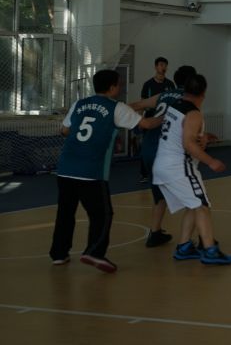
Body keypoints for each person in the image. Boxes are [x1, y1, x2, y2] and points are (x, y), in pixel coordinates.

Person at [49, 70, 162, 272]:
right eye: (118, 84)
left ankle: (59, 254)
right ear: (112, 87)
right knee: (102, 214)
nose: (120, 87)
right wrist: (165, 116)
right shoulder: (116, 107)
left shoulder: (79, 103)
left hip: (65, 168)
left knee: (65, 212)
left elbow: (64, 130)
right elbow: (146, 124)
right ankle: (94, 252)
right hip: (91, 170)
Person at [152, 74, 231, 265]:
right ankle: (210, 250)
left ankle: (184, 247)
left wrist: (204, 136)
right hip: (179, 167)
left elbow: (181, 133)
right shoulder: (193, 114)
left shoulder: (175, 105)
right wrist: (211, 161)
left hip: (162, 164)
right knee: (201, 205)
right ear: (204, 92)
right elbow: (188, 143)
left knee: (192, 204)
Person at [136, 65, 197, 247]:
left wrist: (133, 124)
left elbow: (137, 105)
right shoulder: (187, 99)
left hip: (148, 148)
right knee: (195, 198)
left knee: (159, 194)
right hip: (166, 152)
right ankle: (201, 240)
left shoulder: (163, 95)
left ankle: (155, 232)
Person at [138, 57, 177, 182]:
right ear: (155, 67)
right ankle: (144, 174)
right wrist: (140, 120)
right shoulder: (148, 85)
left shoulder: (170, 84)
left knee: (164, 146)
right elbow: (142, 103)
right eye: (161, 65)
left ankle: (164, 171)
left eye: (165, 65)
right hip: (150, 120)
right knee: (147, 146)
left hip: (165, 121)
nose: (163, 67)